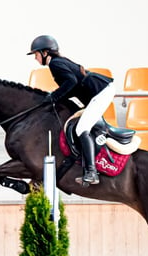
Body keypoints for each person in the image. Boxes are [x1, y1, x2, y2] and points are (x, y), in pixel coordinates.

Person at [27, 35, 115, 186]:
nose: (35, 58)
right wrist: (55, 98)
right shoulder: (57, 63)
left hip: (101, 91)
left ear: (45, 52)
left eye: (36, 54)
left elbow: (71, 82)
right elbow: (71, 87)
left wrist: (53, 97)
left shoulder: (55, 64)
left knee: (82, 128)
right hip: (100, 90)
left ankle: (92, 172)